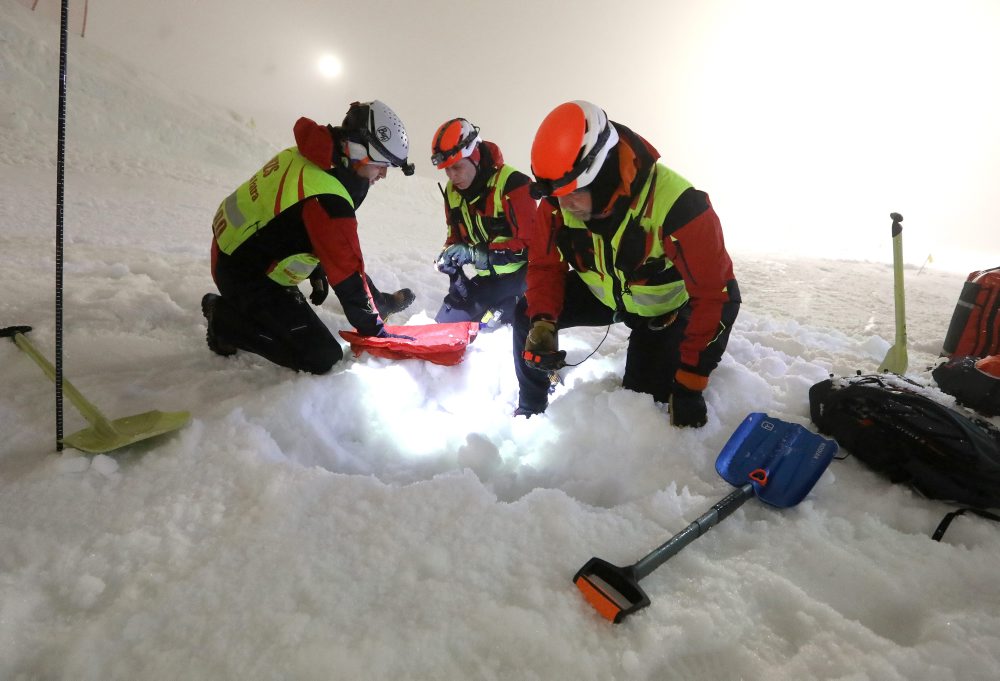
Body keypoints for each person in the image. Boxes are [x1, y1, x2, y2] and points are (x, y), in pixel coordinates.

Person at [514, 101, 741, 427]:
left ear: (601, 170)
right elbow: (545, 266)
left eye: (572, 193)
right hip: (604, 295)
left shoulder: (680, 206)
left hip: (663, 312)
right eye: (555, 195)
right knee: (526, 315)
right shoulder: (557, 202)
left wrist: (691, 383)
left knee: (640, 406)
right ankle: (531, 409)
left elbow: (717, 296)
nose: (563, 205)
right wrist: (544, 322)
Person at [201, 100, 417, 374]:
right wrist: (376, 332)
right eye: (381, 164)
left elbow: (292, 225)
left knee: (340, 253)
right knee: (321, 356)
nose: (384, 174)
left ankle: (377, 302)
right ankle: (223, 319)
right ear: (357, 151)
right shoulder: (327, 197)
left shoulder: (313, 156)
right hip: (244, 275)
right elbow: (347, 273)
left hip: (240, 252)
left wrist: (315, 269)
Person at [430, 117, 535, 330]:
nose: (451, 176)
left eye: (457, 167)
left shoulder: (514, 185)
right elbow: (455, 236)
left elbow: (533, 247)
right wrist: (450, 256)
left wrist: (476, 254)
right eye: (446, 170)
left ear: (475, 155)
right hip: (490, 280)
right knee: (445, 325)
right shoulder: (452, 192)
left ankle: (514, 307)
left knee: (490, 329)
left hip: (524, 278)